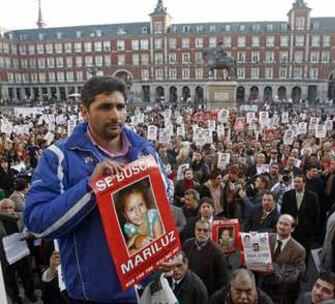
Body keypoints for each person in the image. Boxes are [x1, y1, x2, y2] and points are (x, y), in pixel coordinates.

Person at [24, 76, 172, 303]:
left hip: (146, 288)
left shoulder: (145, 151)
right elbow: (37, 222)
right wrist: (92, 188)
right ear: (84, 111)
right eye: (105, 107)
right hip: (95, 295)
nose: (115, 115)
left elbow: (163, 208)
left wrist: (166, 251)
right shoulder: (59, 157)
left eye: (120, 106)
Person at [260, 214, 306, 304]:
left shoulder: (299, 250)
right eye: (280, 223)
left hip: (283, 292)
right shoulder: (265, 238)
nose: (282, 226)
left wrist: (275, 268)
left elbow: (299, 273)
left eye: (286, 224)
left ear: (292, 229)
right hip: (263, 286)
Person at [183, 219, 229, 295]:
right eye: (199, 230)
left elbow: (223, 279)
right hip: (189, 289)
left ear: (210, 232)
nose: (202, 233)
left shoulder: (217, 252)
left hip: (207, 293)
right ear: (195, 230)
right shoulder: (187, 244)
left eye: (205, 230)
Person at [281, 174, 319, 259]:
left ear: (304, 183)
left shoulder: (312, 196)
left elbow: (316, 215)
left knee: (303, 256)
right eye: (295, 181)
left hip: (305, 233)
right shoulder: (287, 195)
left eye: (298, 182)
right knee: (289, 255)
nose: (296, 184)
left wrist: (312, 230)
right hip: (290, 231)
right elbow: (283, 213)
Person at [119, 187, 164, 254]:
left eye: (141, 205)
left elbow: (159, 243)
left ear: (146, 203)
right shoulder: (128, 227)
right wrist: (135, 239)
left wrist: (136, 239)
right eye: (131, 209)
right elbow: (129, 247)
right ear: (125, 215)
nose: (138, 213)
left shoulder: (153, 215)